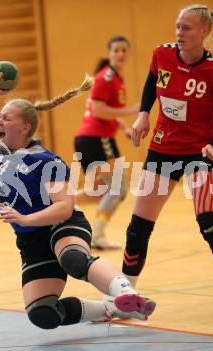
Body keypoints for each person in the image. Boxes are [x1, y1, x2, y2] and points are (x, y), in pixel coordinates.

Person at [0, 72, 156, 329]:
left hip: (62, 224)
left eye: (6, 117)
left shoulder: (45, 161)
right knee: (42, 313)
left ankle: (127, 293)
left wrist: (26, 218)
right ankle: (109, 308)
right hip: (31, 239)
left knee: (73, 259)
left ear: (24, 127)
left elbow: (64, 207)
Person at [120, 4, 213, 323]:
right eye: (178, 27)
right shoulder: (162, 54)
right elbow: (151, 83)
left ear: (205, 32)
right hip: (162, 151)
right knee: (137, 228)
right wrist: (143, 114)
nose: (179, 33)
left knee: (210, 225)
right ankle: (125, 298)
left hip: (199, 155)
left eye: (187, 28)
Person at [74, 36, 139, 250]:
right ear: (109, 53)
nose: (120, 54)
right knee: (118, 188)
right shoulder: (107, 77)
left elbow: (106, 110)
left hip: (91, 139)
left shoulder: (113, 78)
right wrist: (131, 111)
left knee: (100, 190)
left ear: (128, 53)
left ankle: (59, 203)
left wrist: (123, 127)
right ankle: (97, 235)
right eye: (116, 50)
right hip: (97, 139)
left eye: (124, 50)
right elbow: (99, 110)